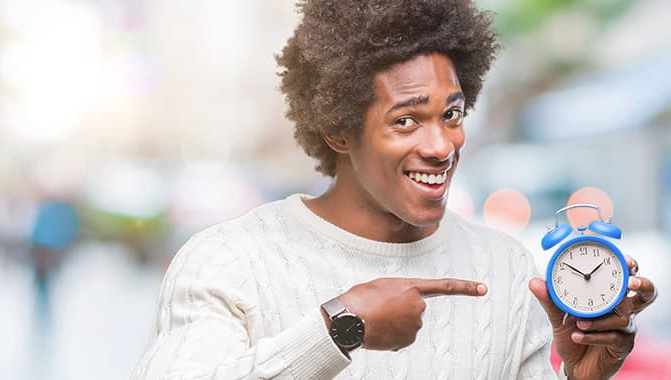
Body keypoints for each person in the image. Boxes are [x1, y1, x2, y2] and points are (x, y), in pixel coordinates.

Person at [132, 1, 657, 379]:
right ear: (337, 129)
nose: (441, 145)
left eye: (451, 115)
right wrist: (338, 330)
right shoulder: (230, 261)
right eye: (406, 120)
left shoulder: (504, 266)